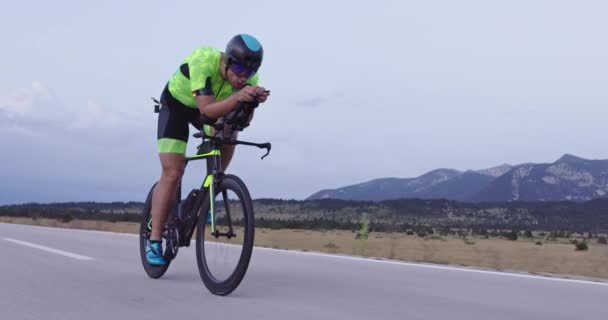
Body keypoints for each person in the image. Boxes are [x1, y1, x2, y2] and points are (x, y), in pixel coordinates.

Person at [146, 34, 270, 265]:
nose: (243, 76)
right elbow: (206, 112)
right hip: (177, 107)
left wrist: (251, 103)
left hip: (213, 108)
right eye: (240, 68)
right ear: (227, 61)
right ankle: (153, 241)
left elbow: (241, 122)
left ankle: (212, 189)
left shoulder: (249, 80)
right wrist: (239, 98)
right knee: (173, 173)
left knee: (230, 132)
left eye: (250, 72)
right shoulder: (204, 59)